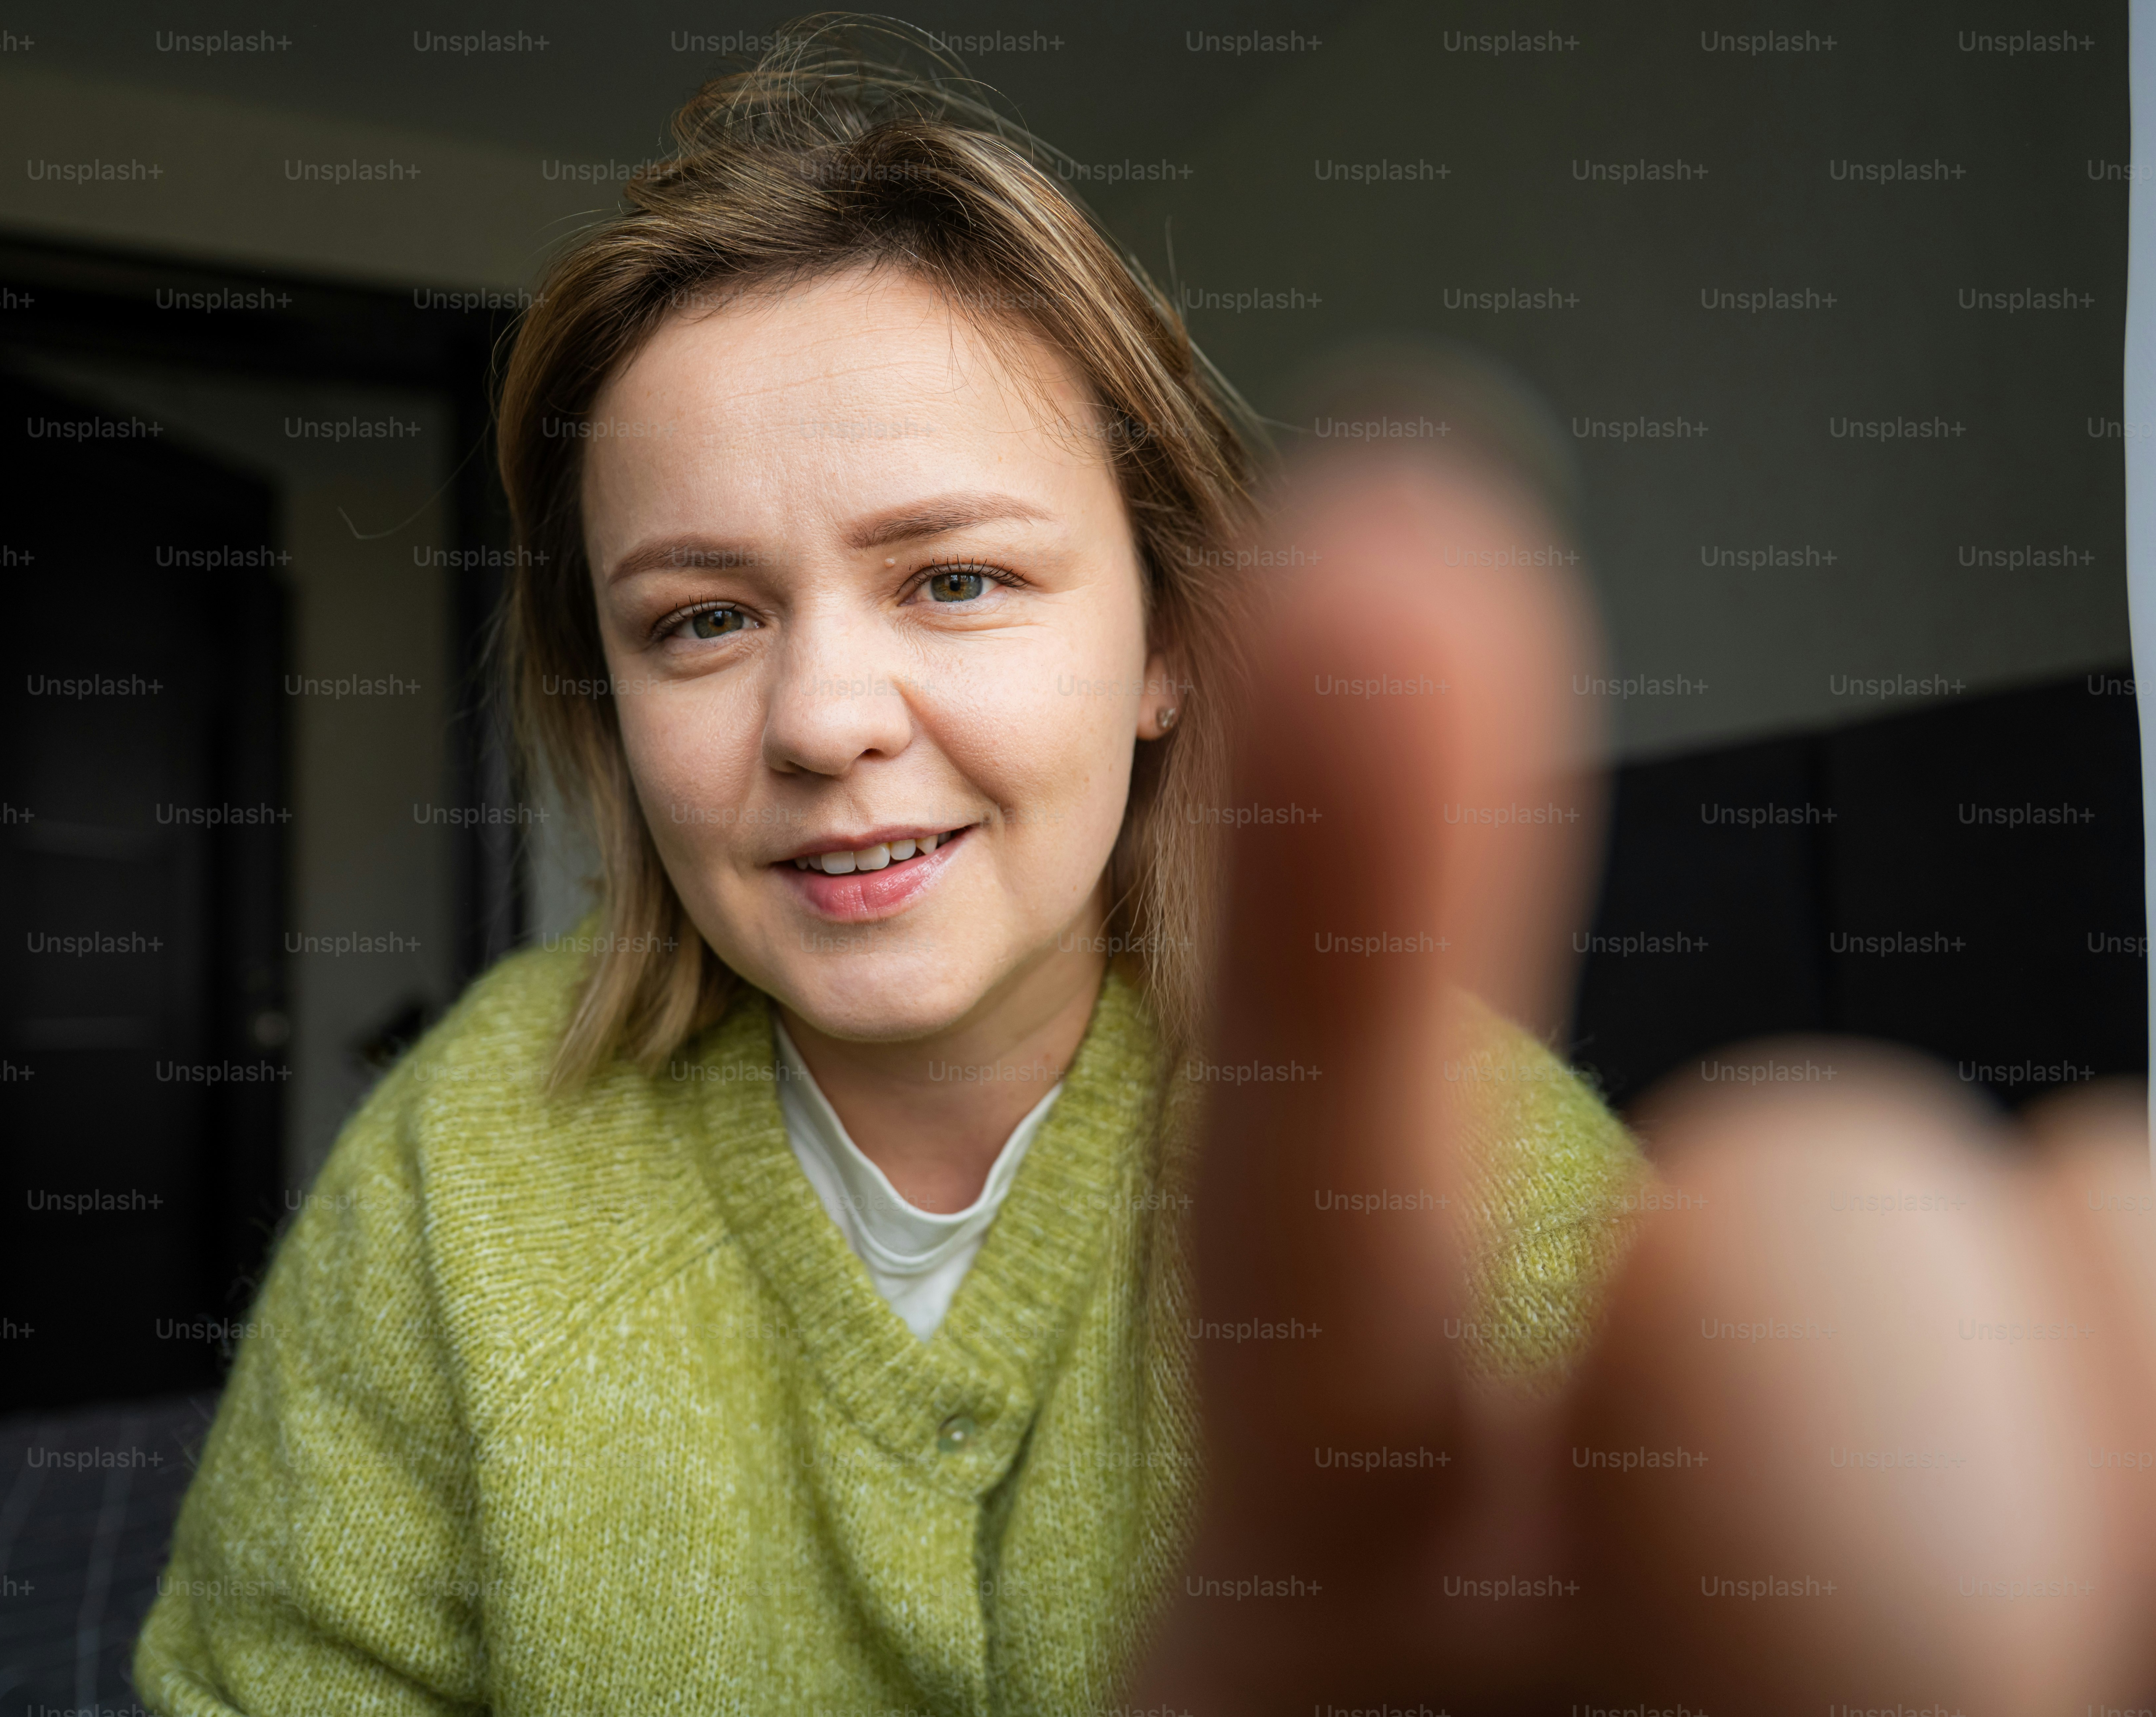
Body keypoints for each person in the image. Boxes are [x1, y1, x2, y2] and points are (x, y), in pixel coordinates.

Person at [135, 19, 2156, 1714]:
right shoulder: (457, 1163)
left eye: (954, 577)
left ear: (1174, 643)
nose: (826, 716)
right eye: (699, 619)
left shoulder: (1458, 1180)